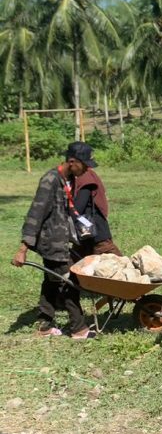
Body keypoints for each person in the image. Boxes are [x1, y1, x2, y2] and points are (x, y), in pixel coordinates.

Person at [11, 141, 98, 339]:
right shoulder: (50, 180)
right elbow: (35, 213)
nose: (86, 169)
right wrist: (23, 249)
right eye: (84, 165)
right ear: (72, 161)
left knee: (51, 282)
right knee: (68, 282)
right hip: (52, 243)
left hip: (62, 240)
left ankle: (44, 325)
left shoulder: (68, 179)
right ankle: (78, 329)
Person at [73, 166, 122, 256]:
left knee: (116, 261)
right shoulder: (82, 176)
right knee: (76, 259)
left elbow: (78, 208)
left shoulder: (85, 178)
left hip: (96, 232)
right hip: (83, 232)